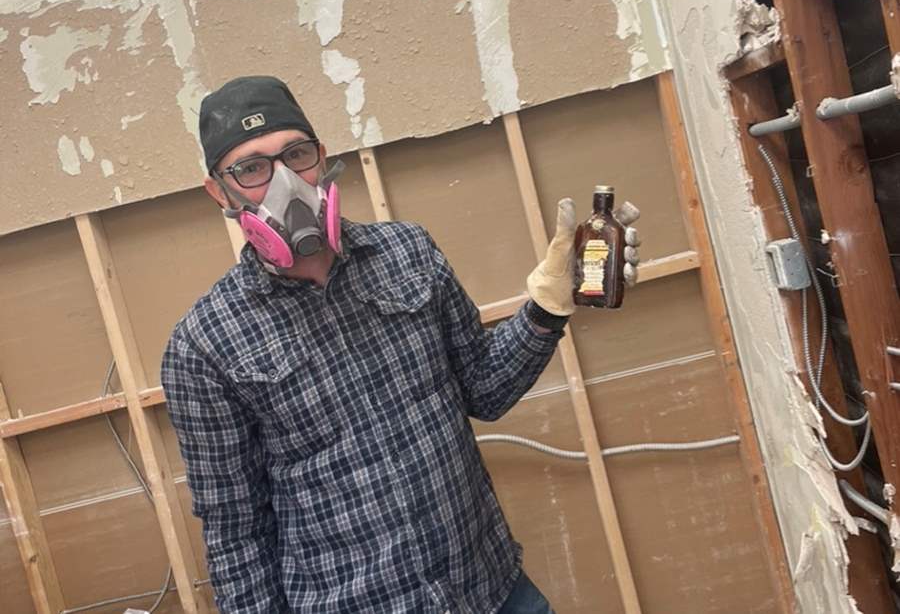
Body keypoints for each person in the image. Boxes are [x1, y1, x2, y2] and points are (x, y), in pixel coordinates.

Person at [161, 76, 640, 613]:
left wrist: (549, 306)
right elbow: (235, 533)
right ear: (219, 191)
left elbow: (483, 388)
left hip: (490, 588)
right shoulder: (203, 344)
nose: (283, 183)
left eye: (295, 155)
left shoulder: (408, 253)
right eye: (250, 169)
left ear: (321, 158)